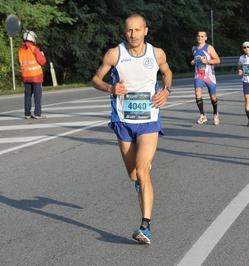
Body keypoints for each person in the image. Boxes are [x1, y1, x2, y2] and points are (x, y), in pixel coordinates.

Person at [91, 14, 172, 244]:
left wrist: (166, 91)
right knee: (134, 175)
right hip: (122, 121)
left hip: (149, 119)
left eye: (137, 30)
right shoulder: (115, 54)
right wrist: (110, 87)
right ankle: (141, 171)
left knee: (143, 171)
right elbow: (95, 79)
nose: (133, 34)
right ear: (125, 31)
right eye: (129, 30)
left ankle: (145, 226)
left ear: (146, 30)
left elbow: (167, 74)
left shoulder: (156, 53)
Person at [190, 30, 221, 125]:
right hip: (198, 75)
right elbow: (194, 60)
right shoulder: (194, 48)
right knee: (197, 93)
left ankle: (215, 114)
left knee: (213, 96)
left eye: (202, 36)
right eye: (199, 36)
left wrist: (207, 61)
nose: (200, 38)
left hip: (209, 76)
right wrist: (193, 62)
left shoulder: (209, 48)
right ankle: (202, 115)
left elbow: (217, 60)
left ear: (206, 38)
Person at [18, 30, 47, 119]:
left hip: (26, 77)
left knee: (27, 96)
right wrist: (42, 55)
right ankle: (37, 113)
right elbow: (42, 61)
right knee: (37, 95)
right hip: (36, 76)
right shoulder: (34, 49)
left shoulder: (20, 51)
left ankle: (27, 114)